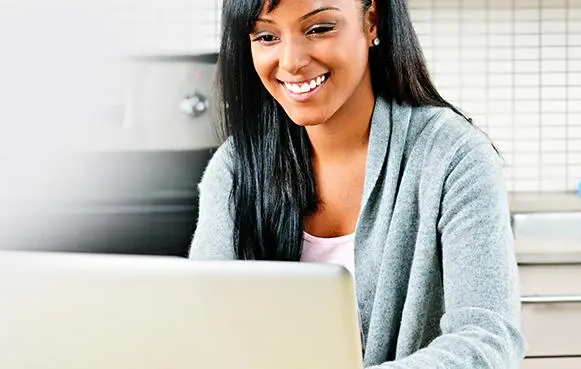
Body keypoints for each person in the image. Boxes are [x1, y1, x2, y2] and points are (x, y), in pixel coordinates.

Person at [189, 0, 527, 368]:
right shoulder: (236, 167)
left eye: (319, 29)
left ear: (371, 21)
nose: (290, 62)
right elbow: (205, 328)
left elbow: (488, 340)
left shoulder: (453, 155)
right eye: (267, 36)